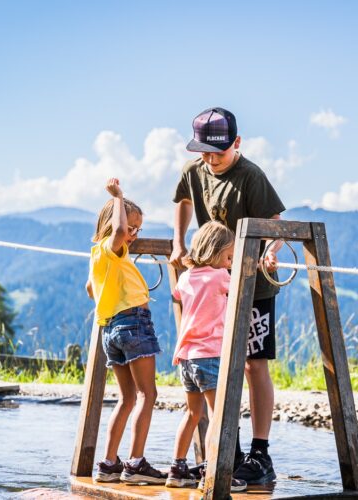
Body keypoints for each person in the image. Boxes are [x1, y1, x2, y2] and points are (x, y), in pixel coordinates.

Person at [169, 107, 285, 485]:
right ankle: (226, 453)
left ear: (236, 143)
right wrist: (178, 242)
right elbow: (183, 201)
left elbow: (278, 225)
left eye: (217, 152)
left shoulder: (250, 176)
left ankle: (260, 453)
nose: (210, 159)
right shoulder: (194, 171)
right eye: (203, 152)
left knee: (253, 365)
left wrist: (271, 249)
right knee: (216, 366)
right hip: (215, 286)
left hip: (255, 288)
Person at [88, 178, 167, 485]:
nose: (132, 235)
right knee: (149, 394)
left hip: (110, 329)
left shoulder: (97, 256)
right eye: (130, 227)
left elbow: (89, 289)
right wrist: (119, 196)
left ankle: (109, 464)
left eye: (138, 229)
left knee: (127, 398)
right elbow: (118, 233)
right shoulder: (112, 247)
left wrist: (114, 292)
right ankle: (135, 464)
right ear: (112, 224)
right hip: (133, 323)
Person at [165, 222, 246, 492]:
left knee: (192, 413)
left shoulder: (187, 277)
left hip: (186, 357)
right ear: (216, 252)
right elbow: (241, 281)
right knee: (217, 415)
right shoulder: (220, 276)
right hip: (209, 355)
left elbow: (177, 294)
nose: (230, 261)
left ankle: (177, 469)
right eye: (229, 256)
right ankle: (212, 472)